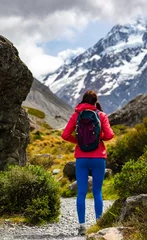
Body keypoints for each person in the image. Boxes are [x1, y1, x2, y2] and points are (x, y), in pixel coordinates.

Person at [61, 90, 114, 236]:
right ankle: (98, 224)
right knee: (97, 192)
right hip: (99, 157)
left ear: (83, 100)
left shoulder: (77, 115)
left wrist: (78, 141)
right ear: (95, 101)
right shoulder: (101, 115)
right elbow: (110, 135)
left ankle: (82, 226)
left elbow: (65, 135)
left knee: (81, 192)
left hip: (81, 158)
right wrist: (98, 138)